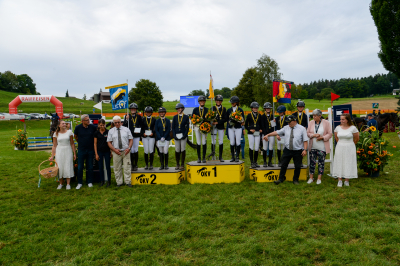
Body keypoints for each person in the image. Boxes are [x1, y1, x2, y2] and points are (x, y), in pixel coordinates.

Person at [264, 115, 308, 185]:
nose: (288, 124)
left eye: (290, 122)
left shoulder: (302, 129)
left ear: (294, 121)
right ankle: (281, 179)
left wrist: (305, 149)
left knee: (297, 166)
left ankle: (295, 180)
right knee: (283, 164)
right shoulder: (286, 128)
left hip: (298, 150)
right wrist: (268, 135)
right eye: (287, 122)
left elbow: (305, 140)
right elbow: (277, 132)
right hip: (287, 150)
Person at [332, 113, 359, 187]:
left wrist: (350, 144)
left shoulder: (353, 128)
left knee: (348, 162)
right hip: (340, 146)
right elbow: (336, 138)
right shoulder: (337, 128)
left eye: (343, 119)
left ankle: (347, 180)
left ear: (347, 120)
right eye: (341, 119)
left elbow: (356, 139)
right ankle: (339, 180)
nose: (341, 120)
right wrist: (342, 144)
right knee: (339, 161)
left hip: (350, 147)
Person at [306, 109, 332, 185]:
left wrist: (323, 137)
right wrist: (313, 135)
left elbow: (330, 134)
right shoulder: (311, 122)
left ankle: (319, 178)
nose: (313, 117)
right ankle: (311, 178)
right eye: (313, 116)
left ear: (320, 116)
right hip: (313, 146)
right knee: (312, 162)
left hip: (322, 146)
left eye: (315, 116)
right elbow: (308, 133)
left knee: (321, 162)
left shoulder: (326, 123)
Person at [107, 116, 133, 187]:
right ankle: (119, 182)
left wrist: (129, 148)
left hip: (126, 151)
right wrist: (114, 150)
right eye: (115, 123)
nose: (117, 124)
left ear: (121, 122)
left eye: (118, 122)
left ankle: (128, 182)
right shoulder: (111, 131)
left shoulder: (126, 129)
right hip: (116, 152)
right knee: (117, 168)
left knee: (127, 167)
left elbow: (131, 139)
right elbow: (109, 142)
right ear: (113, 123)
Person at [50, 120, 76, 190]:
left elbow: (72, 143)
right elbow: (54, 145)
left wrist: (74, 153)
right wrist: (52, 156)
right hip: (59, 151)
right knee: (60, 166)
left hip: (68, 150)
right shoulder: (56, 133)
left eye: (65, 123)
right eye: (63, 123)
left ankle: (68, 184)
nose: (64, 124)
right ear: (59, 125)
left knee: (68, 165)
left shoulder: (69, 132)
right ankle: (61, 183)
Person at [74, 114, 97, 189]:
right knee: (80, 167)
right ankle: (80, 182)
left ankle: (89, 181)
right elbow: (75, 136)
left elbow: (100, 128)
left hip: (90, 150)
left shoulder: (92, 127)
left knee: (90, 166)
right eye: (87, 120)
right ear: (82, 121)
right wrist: (80, 142)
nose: (89, 121)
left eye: (89, 120)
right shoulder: (78, 128)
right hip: (81, 150)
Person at [123, 103, 142, 171]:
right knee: (130, 149)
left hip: (136, 136)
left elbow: (141, 125)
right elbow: (124, 126)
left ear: (136, 109)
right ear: (130, 109)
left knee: (135, 149)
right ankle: (131, 164)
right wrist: (127, 120)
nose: (133, 110)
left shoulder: (139, 117)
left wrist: (139, 131)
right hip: (129, 136)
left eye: (134, 109)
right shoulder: (127, 116)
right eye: (132, 109)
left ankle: (135, 164)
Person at [226, 96, 245, 162]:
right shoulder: (229, 110)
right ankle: (232, 157)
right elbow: (227, 119)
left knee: (238, 142)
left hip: (238, 127)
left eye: (233, 102)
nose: (232, 103)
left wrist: (239, 120)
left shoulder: (240, 110)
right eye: (231, 102)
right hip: (231, 128)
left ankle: (237, 156)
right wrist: (229, 121)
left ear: (236, 102)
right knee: (232, 142)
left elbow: (243, 121)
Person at [94, 119, 112, 187]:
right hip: (99, 152)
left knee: (108, 166)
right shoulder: (96, 133)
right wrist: (96, 154)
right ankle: (102, 181)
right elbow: (95, 144)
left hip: (107, 151)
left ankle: (109, 181)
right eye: (101, 125)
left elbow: (110, 142)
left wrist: (111, 151)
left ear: (105, 124)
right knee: (100, 167)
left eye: (103, 125)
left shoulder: (108, 132)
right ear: (98, 125)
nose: (102, 126)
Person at [172, 103, 190, 170]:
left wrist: (185, 135)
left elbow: (187, 127)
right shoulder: (175, 117)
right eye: (178, 109)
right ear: (177, 109)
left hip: (183, 136)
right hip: (176, 135)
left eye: (180, 108)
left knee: (182, 149)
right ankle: (177, 164)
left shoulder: (186, 117)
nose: (179, 110)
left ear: (183, 109)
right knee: (177, 149)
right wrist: (174, 135)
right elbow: (173, 127)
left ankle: (182, 164)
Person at [192, 96, 209, 163]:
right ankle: (199, 158)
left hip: (204, 127)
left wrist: (207, 125)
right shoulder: (195, 110)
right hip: (197, 127)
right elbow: (193, 118)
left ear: (204, 102)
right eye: (201, 101)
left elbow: (208, 119)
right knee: (198, 142)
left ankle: (204, 157)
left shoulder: (207, 110)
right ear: (199, 102)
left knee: (204, 142)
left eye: (203, 101)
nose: (202, 102)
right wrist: (196, 123)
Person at [245, 102, 262, 168]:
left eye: (257, 108)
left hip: (257, 133)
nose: (255, 109)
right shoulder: (249, 115)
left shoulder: (259, 115)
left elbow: (260, 124)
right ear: (252, 108)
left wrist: (261, 129)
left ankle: (255, 161)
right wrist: (250, 129)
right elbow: (246, 125)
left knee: (257, 147)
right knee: (251, 146)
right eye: (254, 108)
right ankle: (252, 162)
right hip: (251, 133)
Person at [211, 95, 228, 162]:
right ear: (215, 101)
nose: (218, 102)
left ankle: (220, 157)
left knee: (220, 141)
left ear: (221, 101)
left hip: (220, 127)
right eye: (217, 100)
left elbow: (225, 119)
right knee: (213, 141)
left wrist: (218, 122)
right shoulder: (212, 108)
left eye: (220, 101)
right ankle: (213, 156)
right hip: (214, 128)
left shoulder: (224, 109)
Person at [261, 102, 275, 167]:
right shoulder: (262, 116)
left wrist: (274, 122)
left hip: (271, 134)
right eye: (267, 108)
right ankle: (264, 162)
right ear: (265, 109)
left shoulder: (272, 116)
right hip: (265, 134)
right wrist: (265, 135)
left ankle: (270, 161)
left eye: (269, 108)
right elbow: (262, 126)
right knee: (264, 148)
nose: (268, 109)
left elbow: (273, 126)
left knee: (271, 147)